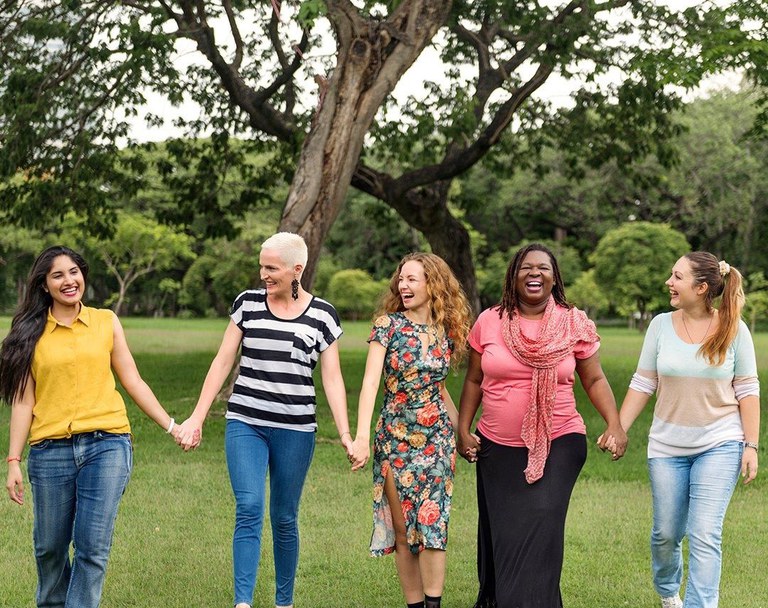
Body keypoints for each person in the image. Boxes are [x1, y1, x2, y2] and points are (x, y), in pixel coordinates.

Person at [175, 232, 353, 608]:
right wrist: (197, 417)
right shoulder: (247, 304)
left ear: (296, 270)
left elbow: (332, 377)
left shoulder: (323, 315)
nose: (263, 274)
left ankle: (283, 603)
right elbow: (223, 361)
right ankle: (243, 603)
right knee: (250, 507)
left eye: (271, 268)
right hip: (246, 422)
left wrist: (346, 434)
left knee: (285, 516)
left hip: (296, 429)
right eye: (262, 266)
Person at [1, 245, 181, 608]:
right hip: (50, 450)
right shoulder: (30, 332)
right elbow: (23, 401)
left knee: (91, 546)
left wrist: (172, 426)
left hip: (107, 443)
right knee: (49, 548)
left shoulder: (105, 321)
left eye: (74, 272)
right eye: (58, 275)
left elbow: (133, 380)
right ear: (44, 285)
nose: (69, 281)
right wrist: (14, 460)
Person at [456, 242, 627, 608]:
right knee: (505, 533)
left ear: (555, 278)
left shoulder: (573, 323)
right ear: (512, 276)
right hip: (497, 449)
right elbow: (473, 381)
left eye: (543, 268)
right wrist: (463, 428)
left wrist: (614, 423)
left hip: (560, 441)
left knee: (540, 523)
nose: (534, 273)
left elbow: (594, 380)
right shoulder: (490, 320)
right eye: (525, 267)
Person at [615, 252, 759, 608]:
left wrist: (751, 446)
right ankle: (668, 590)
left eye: (677, 277)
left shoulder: (734, 327)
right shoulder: (660, 325)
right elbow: (643, 381)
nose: (669, 282)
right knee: (666, 534)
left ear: (702, 287)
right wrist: (619, 428)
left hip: (720, 442)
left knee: (705, 533)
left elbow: (747, 389)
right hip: (667, 446)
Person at [350, 252, 471, 608]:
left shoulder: (445, 332)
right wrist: (361, 437)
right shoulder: (388, 326)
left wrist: (462, 433)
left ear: (433, 284)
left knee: (434, 526)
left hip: (437, 442)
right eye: (401, 279)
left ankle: (434, 604)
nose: (403, 285)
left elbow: (441, 388)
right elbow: (371, 383)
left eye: (413, 279)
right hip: (395, 440)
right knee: (404, 532)